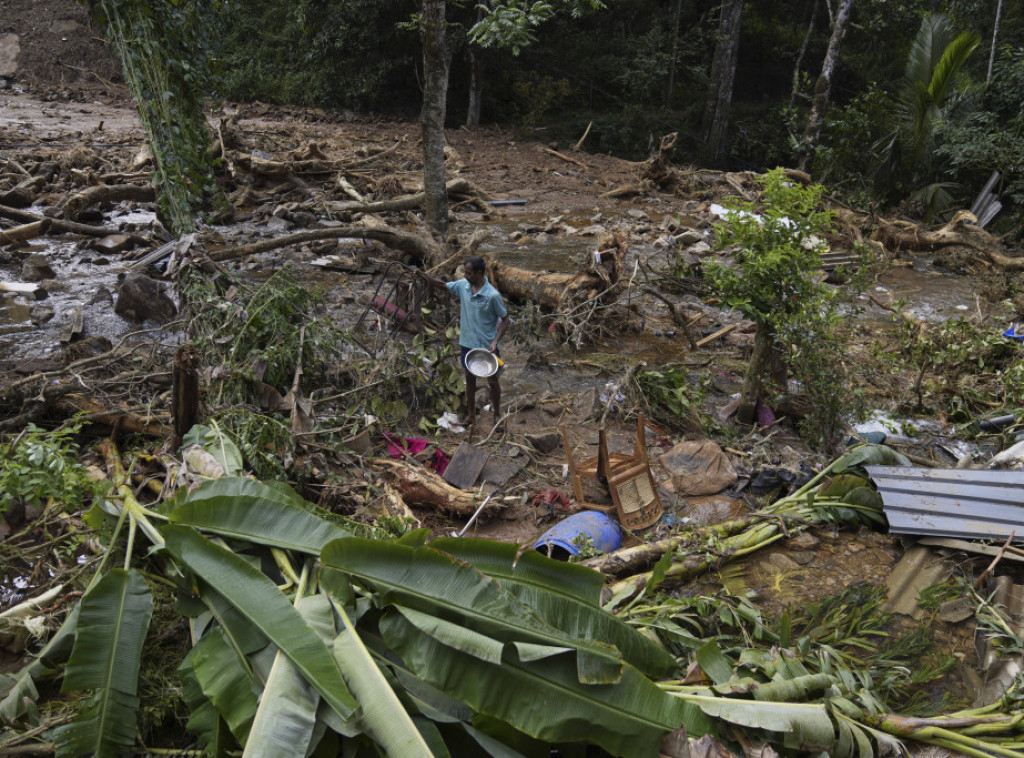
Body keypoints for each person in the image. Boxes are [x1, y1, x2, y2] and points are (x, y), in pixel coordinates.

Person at [417, 256, 509, 428]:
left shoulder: (492, 296)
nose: (465, 275)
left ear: (479, 273)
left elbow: (505, 320)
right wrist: (424, 276)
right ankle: (471, 415)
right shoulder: (463, 287)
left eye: (468, 273)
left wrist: (496, 341)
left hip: (487, 346)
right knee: (469, 377)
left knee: (493, 381)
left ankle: (497, 415)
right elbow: (443, 285)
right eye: (465, 272)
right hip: (467, 342)